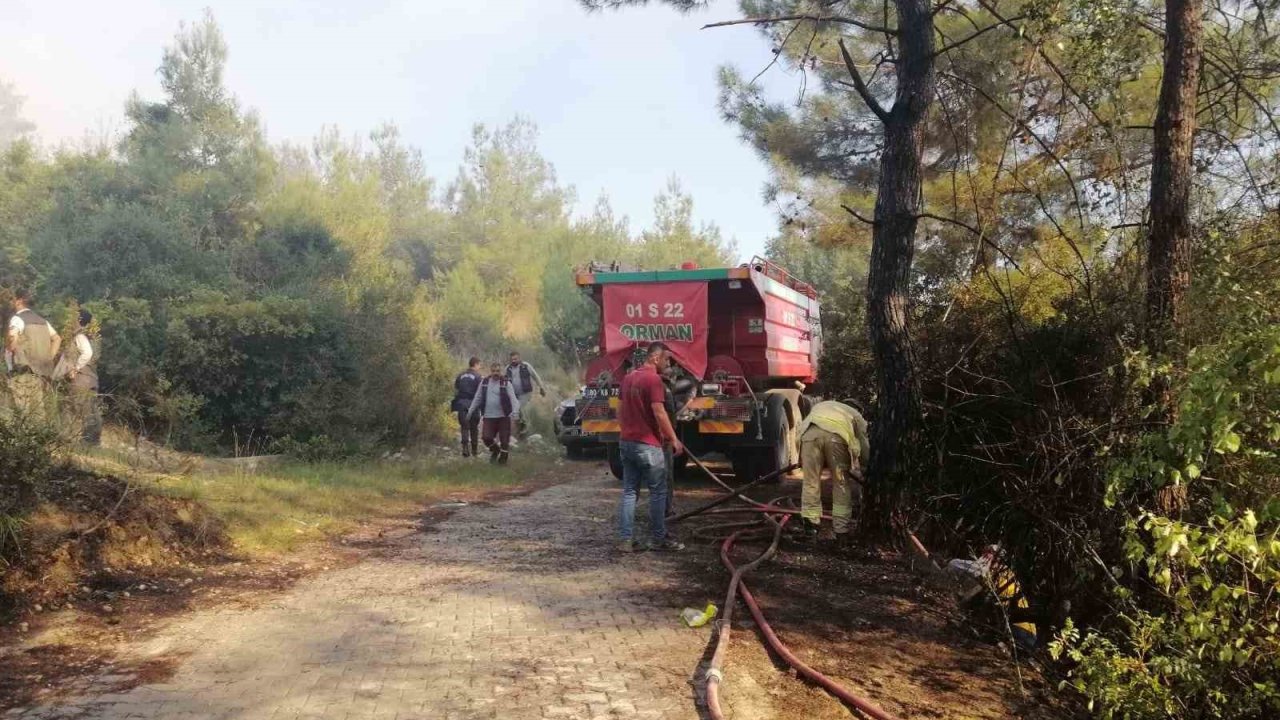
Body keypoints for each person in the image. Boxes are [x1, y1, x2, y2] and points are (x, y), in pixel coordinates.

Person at [616, 342, 685, 554]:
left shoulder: (628, 378)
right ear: (655, 358)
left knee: (629, 492)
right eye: (667, 360)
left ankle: (625, 540)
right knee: (658, 492)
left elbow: (619, 409)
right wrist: (674, 439)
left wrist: (626, 430)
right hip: (648, 446)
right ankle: (658, 538)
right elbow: (659, 412)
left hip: (626, 443)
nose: (669, 364)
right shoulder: (653, 380)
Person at [794, 399, 870, 546]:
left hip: (809, 438)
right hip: (837, 439)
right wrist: (868, 465)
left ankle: (811, 528)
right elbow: (864, 443)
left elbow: (807, 426)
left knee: (811, 482)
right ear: (857, 409)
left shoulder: (823, 404)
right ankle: (841, 532)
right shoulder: (856, 415)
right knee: (841, 484)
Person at [5, 289, 61, 415]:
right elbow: (57, 338)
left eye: (12, 299)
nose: (11, 302)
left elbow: (12, 337)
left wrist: (11, 349)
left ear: (19, 301)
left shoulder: (17, 319)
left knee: (21, 413)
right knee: (38, 413)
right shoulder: (43, 321)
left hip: (22, 373)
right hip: (41, 374)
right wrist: (49, 357)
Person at [55, 308, 101, 445]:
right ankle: (91, 442)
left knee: (69, 407)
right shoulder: (90, 337)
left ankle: (65, 438)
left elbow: (87, 353)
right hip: (91, 379)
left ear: (78, 320)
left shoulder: (79, 337)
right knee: (90, 410)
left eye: (73, 317)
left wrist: (76, 368)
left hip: (82, 379)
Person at [467, 362, 520, 465]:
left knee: (505, 440)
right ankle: (495, 450)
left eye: (498, 371)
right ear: (490, 372)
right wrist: (470, 411)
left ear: (501, 372)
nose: (496, 373)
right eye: (493, 371)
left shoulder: (506, 383)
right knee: (486, 437)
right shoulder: (484, 382)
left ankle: (502, 462)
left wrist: (515, 412)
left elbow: (514, 400)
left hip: (503, 416)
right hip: (488, 416)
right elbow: (477, 398)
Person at [505, 351, 546, 439]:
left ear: (519, 358)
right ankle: (520, 430)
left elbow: (536, 376)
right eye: (512, 359)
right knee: (515, 412)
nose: (514, 361)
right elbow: (504, 381)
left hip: (525, 393)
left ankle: (526, 426)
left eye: (515, 359)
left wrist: (541, 387)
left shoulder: (526, 366)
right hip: (514, 394)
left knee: (519, 407)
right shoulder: (508, 368)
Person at [451, 357, 483, 457]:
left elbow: (456, 390)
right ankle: (474, 451)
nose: (480, 367)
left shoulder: (460, 375)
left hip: (461, 404)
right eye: (479, 365)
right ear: (476, 364)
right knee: (474, 428)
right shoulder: (478, 376)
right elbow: (481, 392)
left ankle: (465, 448)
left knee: (464, 427)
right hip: (473, 404)